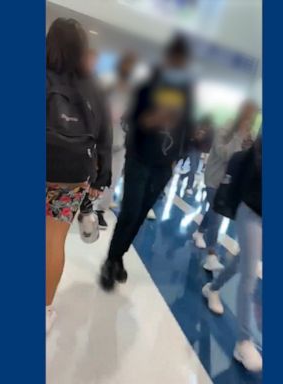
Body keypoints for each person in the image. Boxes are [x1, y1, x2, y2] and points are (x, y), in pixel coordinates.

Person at [100, 35, 194, 291]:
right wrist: (149, 120)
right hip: (140, 157)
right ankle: (110, 261)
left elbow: (188, 126)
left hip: (164, 165)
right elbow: (130, 118)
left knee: (141, 215)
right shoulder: (149, 83)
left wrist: (178, 157)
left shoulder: (186, 91)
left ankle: (117, 256)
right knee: (130, 211)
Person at [45, 18, 112, 332]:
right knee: (53, 240)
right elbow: (105, 134)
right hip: (72, 174)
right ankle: (43, 311)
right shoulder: (93, 85)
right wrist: (102, 178)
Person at [202, 137, 262, 372]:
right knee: (248, 274)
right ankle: (243, 341)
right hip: (253, 212)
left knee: (241, 262)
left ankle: (213, 288)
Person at [193, 102, 258, 271]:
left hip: (230, 183)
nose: (250, 119)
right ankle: (211, 255)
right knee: (217, 216)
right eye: (249, 115)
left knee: (214, 210)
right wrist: (239, 137)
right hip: (214, 179)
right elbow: (225, 154)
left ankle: (199, 232)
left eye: (253, 116)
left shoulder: (249, 134)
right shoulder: (225, 129)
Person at [93, 52, 137, 229]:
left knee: (114, 178)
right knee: (95, 173)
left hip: (122, 141)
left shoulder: (133, 92)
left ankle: (100, 211)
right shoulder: (107, 85)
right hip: (101, 138)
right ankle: (88, 205)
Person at [185, 116, 214, 195]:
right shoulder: (197, 126)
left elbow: (208, 143)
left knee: (195, 167)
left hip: (198, 149)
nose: (207, 127)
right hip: (192, 147)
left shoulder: (209, 131)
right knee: (194, 167)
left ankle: (184, 177)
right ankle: (189, 186)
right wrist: (196, 136)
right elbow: (190, 136)